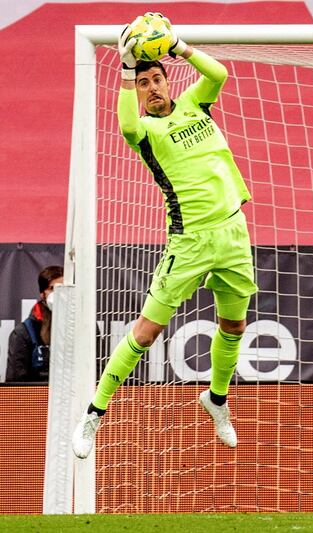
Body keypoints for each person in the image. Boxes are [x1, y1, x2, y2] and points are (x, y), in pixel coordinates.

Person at [72, 13, 257, 459]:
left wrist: (177, 45)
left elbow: (220, 73)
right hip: (188, 242)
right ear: (136, 91)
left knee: (234, 325)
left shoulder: (196, 103)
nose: (153, 88)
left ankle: (216, 400)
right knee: (147, 331)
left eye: (157, 80)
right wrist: (125, 68)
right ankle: (94, 413)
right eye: (144, 84)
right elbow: (126, 126)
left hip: (233, 232)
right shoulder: (146, 132)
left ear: (169, 81)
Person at [6, 266, 64, 383]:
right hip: (37, 398)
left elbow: (98, 371)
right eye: (53, 288)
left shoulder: (86, 329)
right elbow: (15, 385)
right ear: (42, 294)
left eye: (64, 288)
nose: (60, 294)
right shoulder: (23, 333)